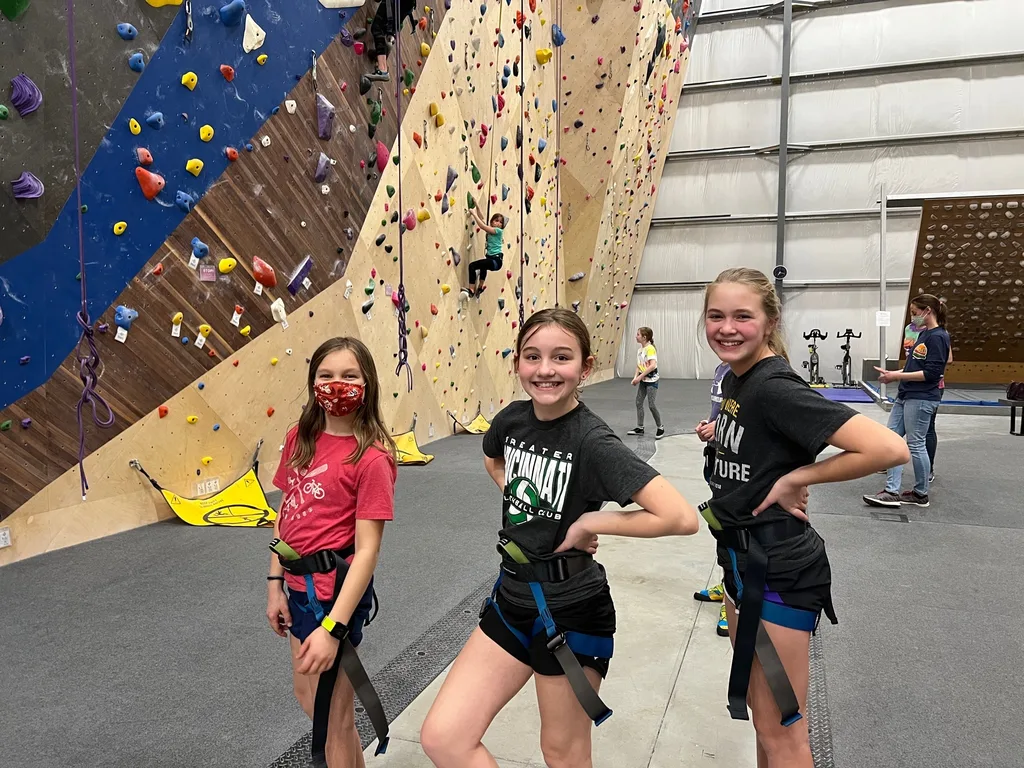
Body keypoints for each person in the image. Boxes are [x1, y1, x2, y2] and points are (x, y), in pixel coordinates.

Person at [420, 307, 700, 768]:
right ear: (517, 363)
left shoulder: (593, 442)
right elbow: (493, 460)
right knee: (445, 738)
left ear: (585, 367)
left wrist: (590, 523)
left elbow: (678, 516)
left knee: (562, 753)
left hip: (571, 611)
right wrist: (525, 504)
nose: (545, 370)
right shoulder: (512, 420)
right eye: (532, 357)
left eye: (561, 358)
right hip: (512, 600)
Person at [700, 268, 908, 768]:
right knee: (764, 718)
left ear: (769, 322)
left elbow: (889, 447)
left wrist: (798, 480)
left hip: (776, 572)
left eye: (742, 316)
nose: (727, 327)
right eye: (716, 315)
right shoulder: (738, 379)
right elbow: (766, 443)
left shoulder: (773, 386)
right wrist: (722, 436)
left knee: (784, 734)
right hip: (741, 561)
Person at [266, 337, 398, 767]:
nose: (336, 385)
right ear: (312, 381)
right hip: (297, 586)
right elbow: (284, 513)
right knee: (310, 698)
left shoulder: (372, 457)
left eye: (349, 376)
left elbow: (367, 552)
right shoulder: (299, 437)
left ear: (367, 384)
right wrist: (274, 584)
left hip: (333, 595)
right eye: (326, 376)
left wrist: (332, 628)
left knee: (331, 719)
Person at [864, 294, 951, 508]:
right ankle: (891, 491)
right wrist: (893, 373)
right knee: (891, 440)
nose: (913, 318)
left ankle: (921, 493)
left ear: (927, 311)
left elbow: (932, 373)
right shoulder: (923, 335)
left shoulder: (938, 337)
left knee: (916, 443)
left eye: (915, 313)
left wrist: (897, 377)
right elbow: (914, 367)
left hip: (922, 398)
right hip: (906, 395)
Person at [694, 360, 731, 637]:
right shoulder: (722, 367)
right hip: (717, 456)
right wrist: (711, 425)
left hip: (740, 463)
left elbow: (753, 413)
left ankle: (736, 596)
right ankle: (728, 583)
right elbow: (725, 410)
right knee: (721, 528)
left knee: (738, 532)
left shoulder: (757, 369)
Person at [365, 0, 417, 82]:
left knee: (377, 28)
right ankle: (384, 47)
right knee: (386, 26)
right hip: (406, 5)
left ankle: (382, 69)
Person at [627, 327, 665, 439]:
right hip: (643, 380)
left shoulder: (650, 349)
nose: (636, 336)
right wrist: (635, 377)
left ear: (644, 337)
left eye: (638, 334)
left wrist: (639, 378)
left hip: (652, 381)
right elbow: (639, 365)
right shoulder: (640, 350)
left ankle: (660, 427)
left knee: (651, 405)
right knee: (638, 402)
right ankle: (640, 427)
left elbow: (653, 365)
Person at [463, 206, 507, 298]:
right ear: (492, 222)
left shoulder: (498, 231)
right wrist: (477, 206)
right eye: (496, 220)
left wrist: (473, 213)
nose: (498, 223)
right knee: (483, 267)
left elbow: (482, 226)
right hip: (494, 260)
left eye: (501, 222)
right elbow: (482, 219)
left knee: (472, 266)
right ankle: (480, 287)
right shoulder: (491, 229)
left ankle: (471, 290)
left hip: (495, 260)